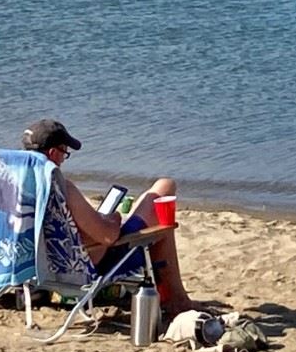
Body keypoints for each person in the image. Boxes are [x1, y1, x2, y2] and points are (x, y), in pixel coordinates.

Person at [21, 118, 194, 314]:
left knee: (154, 215)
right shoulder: (61, 188)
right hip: (90, 265)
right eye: (64, 153)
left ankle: (174, 296)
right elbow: (108, 237)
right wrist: (114, 219)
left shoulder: (15, 188)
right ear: (53, 153)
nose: (63, 159)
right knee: (165, 188)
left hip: (38, 267)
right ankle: (176, 298)